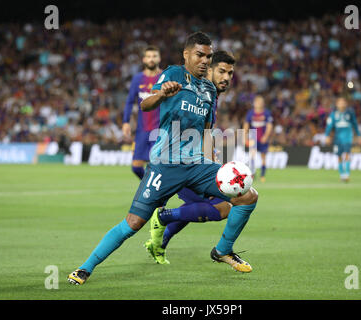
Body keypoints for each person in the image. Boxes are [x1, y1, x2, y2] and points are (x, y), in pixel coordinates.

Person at [67, 32, 258, 285]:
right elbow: (146, 105)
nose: (204, 61)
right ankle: (85, 268)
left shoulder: (209, 89)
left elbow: (207, 130)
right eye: (200, 55)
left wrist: (215, 163)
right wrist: (162, 94)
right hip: (165, 164)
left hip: (196, 164)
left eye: (208, 56)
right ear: (186, 54)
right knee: (133, 223)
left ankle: (222, 251)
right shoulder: (172, 74)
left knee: (247, 196)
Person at [143, 50, 237, 265]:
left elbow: (205, 134)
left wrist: (212, 161)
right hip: (174, 161)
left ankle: (160, 242)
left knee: (195, 207)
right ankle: (163, 218)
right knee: (222, 207)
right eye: (221, 71)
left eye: (230, 73)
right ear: (208, 69)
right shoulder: (194, 88)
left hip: (189, 160)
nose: (227, 78)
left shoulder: (209, 94)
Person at [122, 46, 162, 179]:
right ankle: (151, 189)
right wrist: (126, 122)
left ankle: (154, 194)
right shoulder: (137, 79)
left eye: (154, 56)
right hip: (142, 130)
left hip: (160, 130)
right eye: (149, 56)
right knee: (136, 167)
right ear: (144, 59)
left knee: (158, 166)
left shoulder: (164, 77)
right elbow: (129, 101)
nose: (151, 59)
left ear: (159, 58)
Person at [324, 96, 361, 182]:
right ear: (337, 104)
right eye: (340, 102)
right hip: (337, 138)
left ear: (346, 103)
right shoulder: (334, 114)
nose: (342, 104)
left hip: (347, 138)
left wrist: (359, 135)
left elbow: (355, 125)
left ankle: (347, 174)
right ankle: (342, 175)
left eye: (343, 102)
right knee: (339, 156)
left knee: (347, 154)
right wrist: (326, 135)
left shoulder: (350, 113)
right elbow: (329, 126)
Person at [243, 95, 273, 182]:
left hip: (263, 137)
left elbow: (269, 126)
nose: (258, 104)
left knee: (263, 156)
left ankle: (262, 175)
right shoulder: (251, 113)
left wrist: (266, 136)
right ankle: (252, 174)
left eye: (260, 102)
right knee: (252, 155)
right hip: (253, 136)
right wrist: (245, 137)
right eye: (257, 102)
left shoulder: (266, 113)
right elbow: (246, 125)